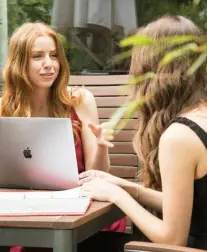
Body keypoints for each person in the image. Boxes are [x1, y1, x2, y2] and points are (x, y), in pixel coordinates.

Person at [78, 15, 207, 252]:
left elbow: (172, 239)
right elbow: (195, 204)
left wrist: (117, 196)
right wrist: (125, 187)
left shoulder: (179, 136)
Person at [0, 22, 126, 252]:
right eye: (37, 56)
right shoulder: (4, 109)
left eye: (54, 56)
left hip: (81, 211)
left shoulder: (79, 100)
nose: (49, 64)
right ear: (19, 63)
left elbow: (98, 174)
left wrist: (101, 146)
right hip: (28, 212)